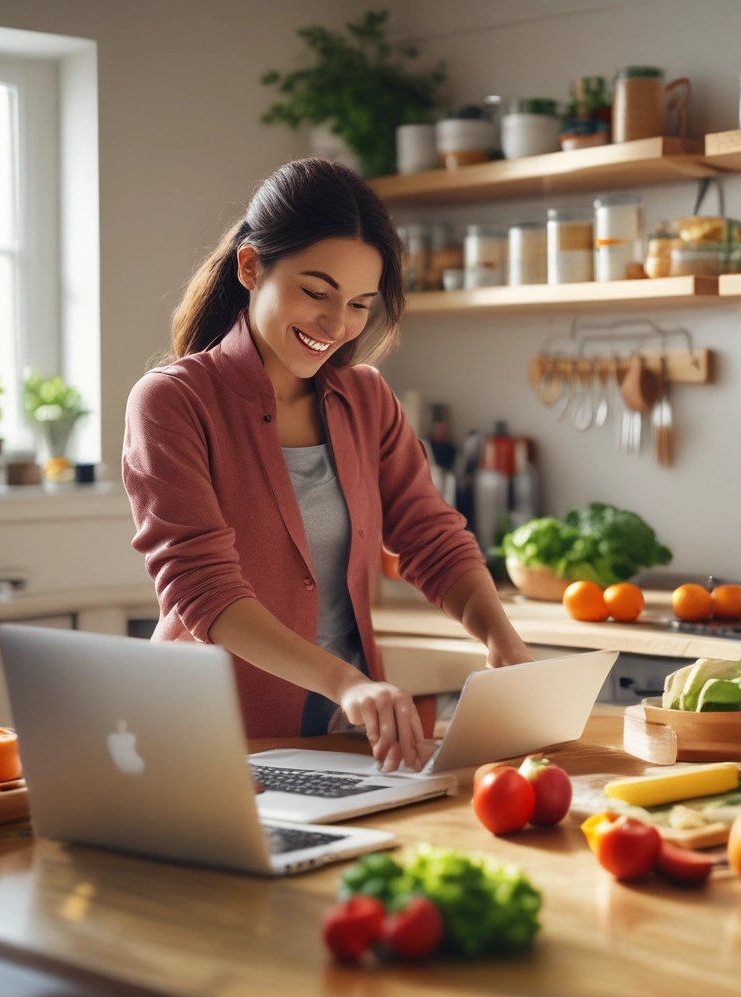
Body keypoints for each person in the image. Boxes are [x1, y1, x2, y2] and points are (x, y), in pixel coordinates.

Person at [122, 158, 531, 772]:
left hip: (345, 739)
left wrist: (503, 641)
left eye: (360, 304)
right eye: (316, 292)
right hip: (211, 738)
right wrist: (345, 681)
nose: (337, 326)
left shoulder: (366, 398)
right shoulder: (171, 402)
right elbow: (203, 589)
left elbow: (430, 536)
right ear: (251, 266)